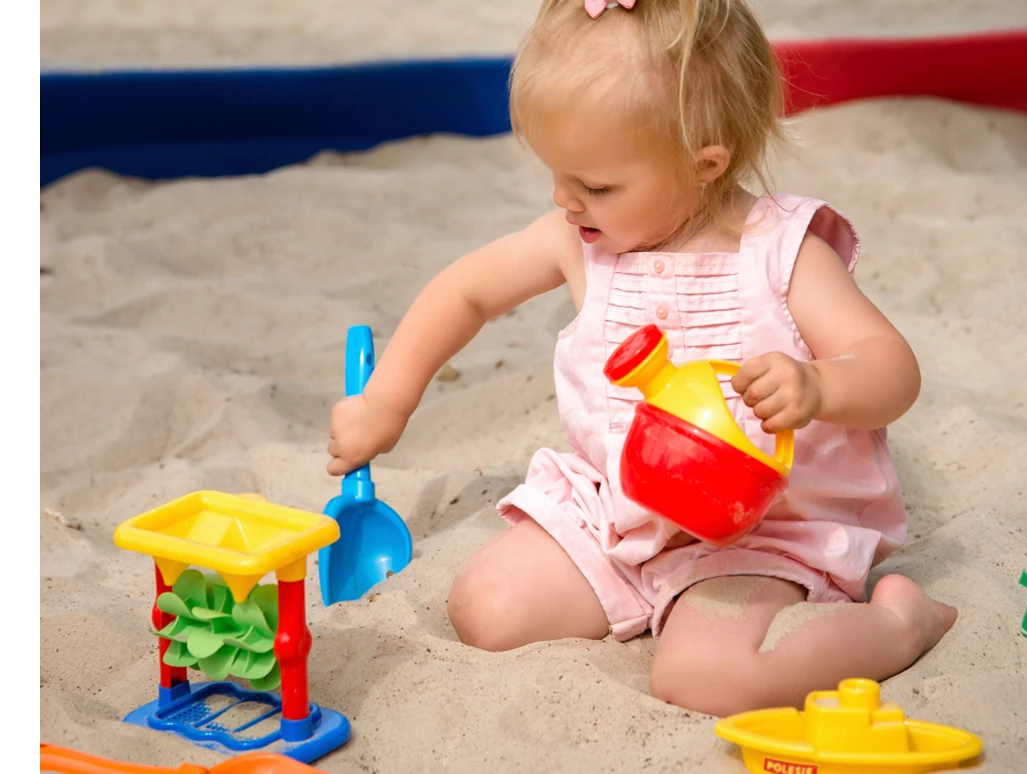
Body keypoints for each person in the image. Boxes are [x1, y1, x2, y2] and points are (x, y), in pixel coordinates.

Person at [326, 0, 957, 717]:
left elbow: (889, 367)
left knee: (702, 682)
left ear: (704, 164)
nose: (565, 201)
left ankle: (898, 625)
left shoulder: (781, 252)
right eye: (556, 174)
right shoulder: (578, 238)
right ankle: (645, 595)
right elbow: (467, 291)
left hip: (758, 531)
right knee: (487, 610)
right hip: (618, 513)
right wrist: (387, 401)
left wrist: (818, 385)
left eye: (595, 185)